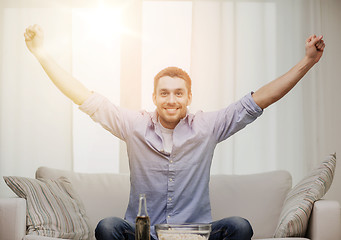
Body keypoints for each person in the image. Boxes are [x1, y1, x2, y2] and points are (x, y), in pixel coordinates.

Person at [24, 24, 325, 240]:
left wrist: (308, 61)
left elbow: (260, 99)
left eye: (178, 93)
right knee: (107, 227)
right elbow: (82, 96)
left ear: (189, 98)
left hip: (195, 235)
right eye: (164, 93)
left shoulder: (207, 127)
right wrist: (41, 54)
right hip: (143, 235)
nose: (171, 100)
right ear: (154, 97)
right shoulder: (133, 125)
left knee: (240, 226)